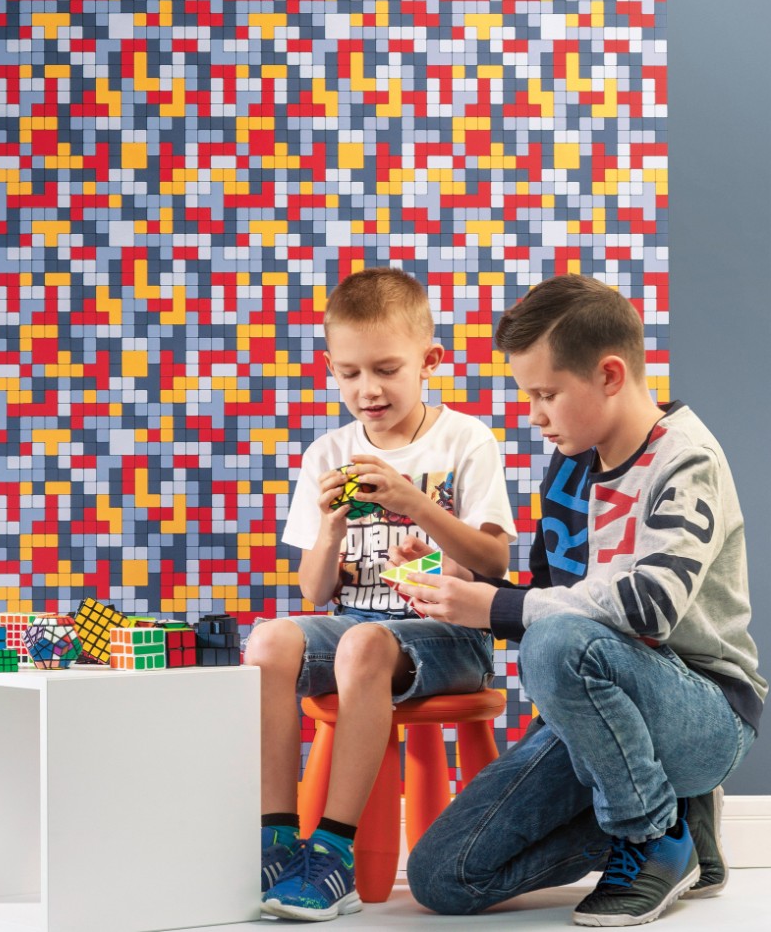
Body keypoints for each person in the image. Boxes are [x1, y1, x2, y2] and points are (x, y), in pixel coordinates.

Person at [397, 274, 766, 927]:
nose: (533, 415)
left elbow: (648, 608)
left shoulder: (686, 460)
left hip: (704, 712)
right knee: (442, 878)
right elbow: (553, 601)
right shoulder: (569, 466)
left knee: (554, 640)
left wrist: (497, 609)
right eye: (528, 396)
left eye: (546, 394)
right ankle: (684, 824)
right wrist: (454, 584)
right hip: (604, 715)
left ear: (610, 375)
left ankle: (653, 838)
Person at [245, 266, 517, 921]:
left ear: (429, 361)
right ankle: (275, 841)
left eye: (387, 369)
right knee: (269, 641)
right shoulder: (328, 453)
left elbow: (493, 562)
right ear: (330, 369)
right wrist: (331, 528)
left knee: (364, 644)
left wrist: (416, 505)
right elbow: (315, 591)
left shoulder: (465, 441)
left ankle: (333, 854)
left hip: (451, 634)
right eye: (349, 373)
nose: (367, 389)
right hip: (355, 627)